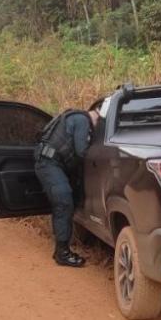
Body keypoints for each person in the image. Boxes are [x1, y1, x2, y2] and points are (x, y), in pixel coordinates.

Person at [34, 108, 100, 267]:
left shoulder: (74, 116)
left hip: (47, 161)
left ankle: (61, 249)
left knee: (63, 203)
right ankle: (62, 253)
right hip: (49, 164)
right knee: (64, 203)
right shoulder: (83, 120)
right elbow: (82, 151)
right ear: (97, 118)